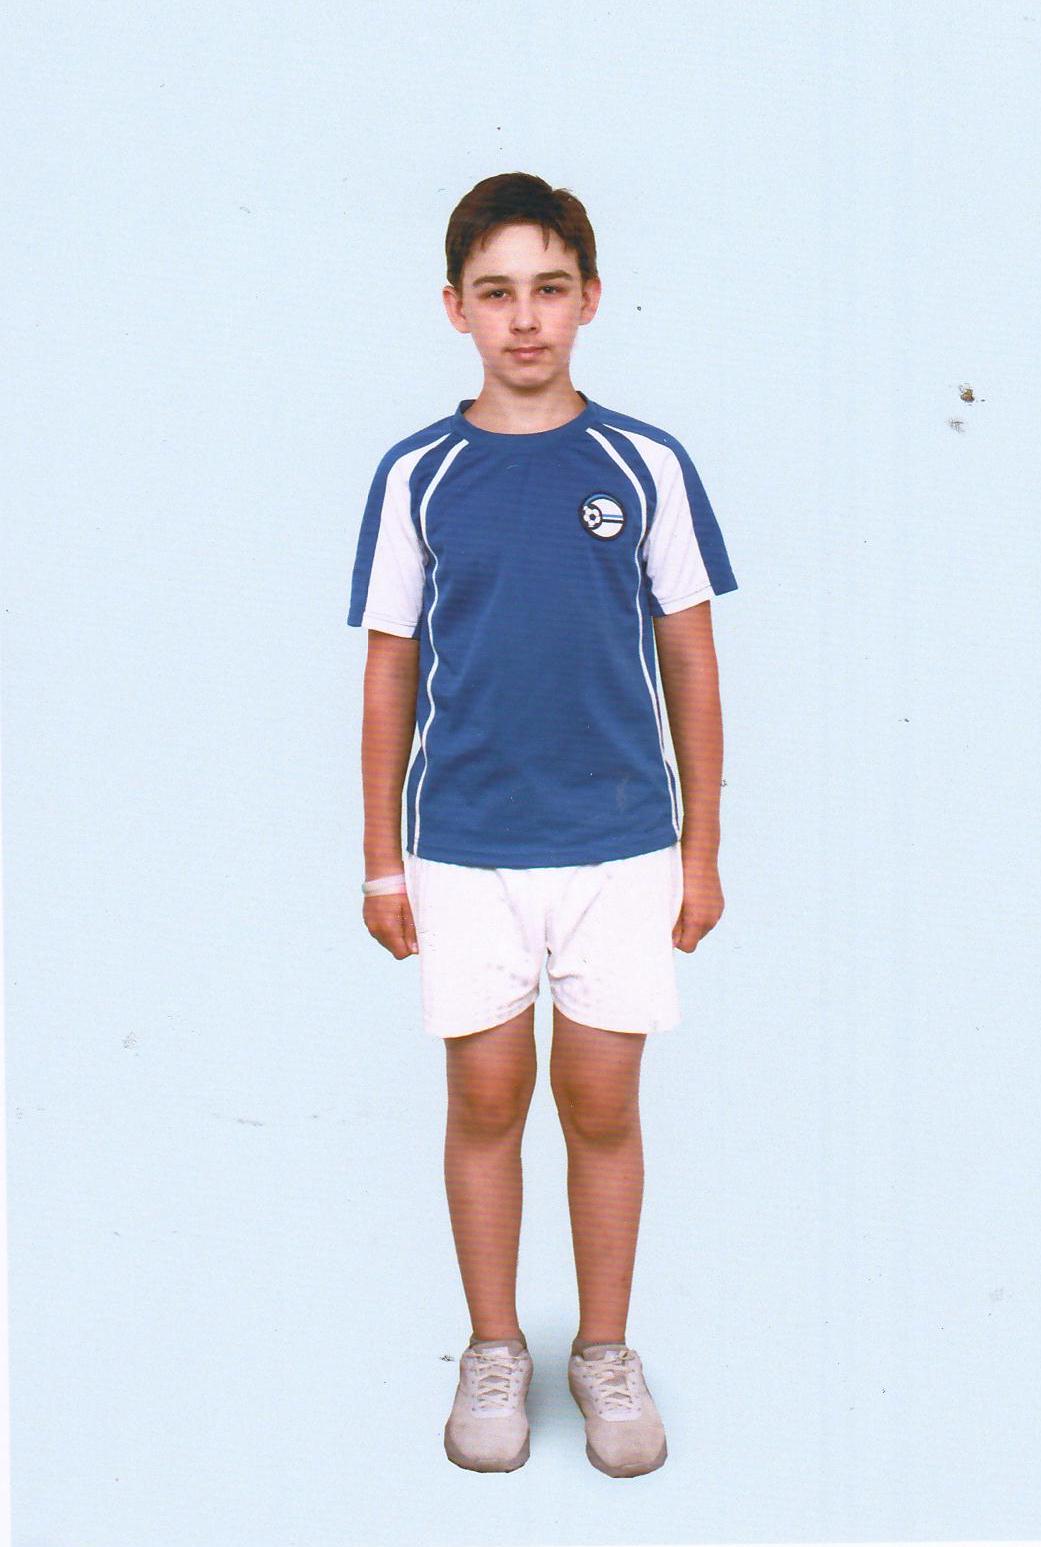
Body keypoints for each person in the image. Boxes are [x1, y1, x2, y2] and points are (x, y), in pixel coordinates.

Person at [346, 171, 738, 1478]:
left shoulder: (645, 465)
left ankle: (604, 1352)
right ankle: (495, 1348)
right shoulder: (418, 473)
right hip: (463, 846)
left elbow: (691, 664)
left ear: (590, 300)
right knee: (484, 1095)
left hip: (620, 845)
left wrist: (699, 851)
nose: (525, 318)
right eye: (497, 292)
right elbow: (389, 672)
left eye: (549, 290)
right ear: (455, 307)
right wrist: (382, 863)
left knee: (603, 1101)